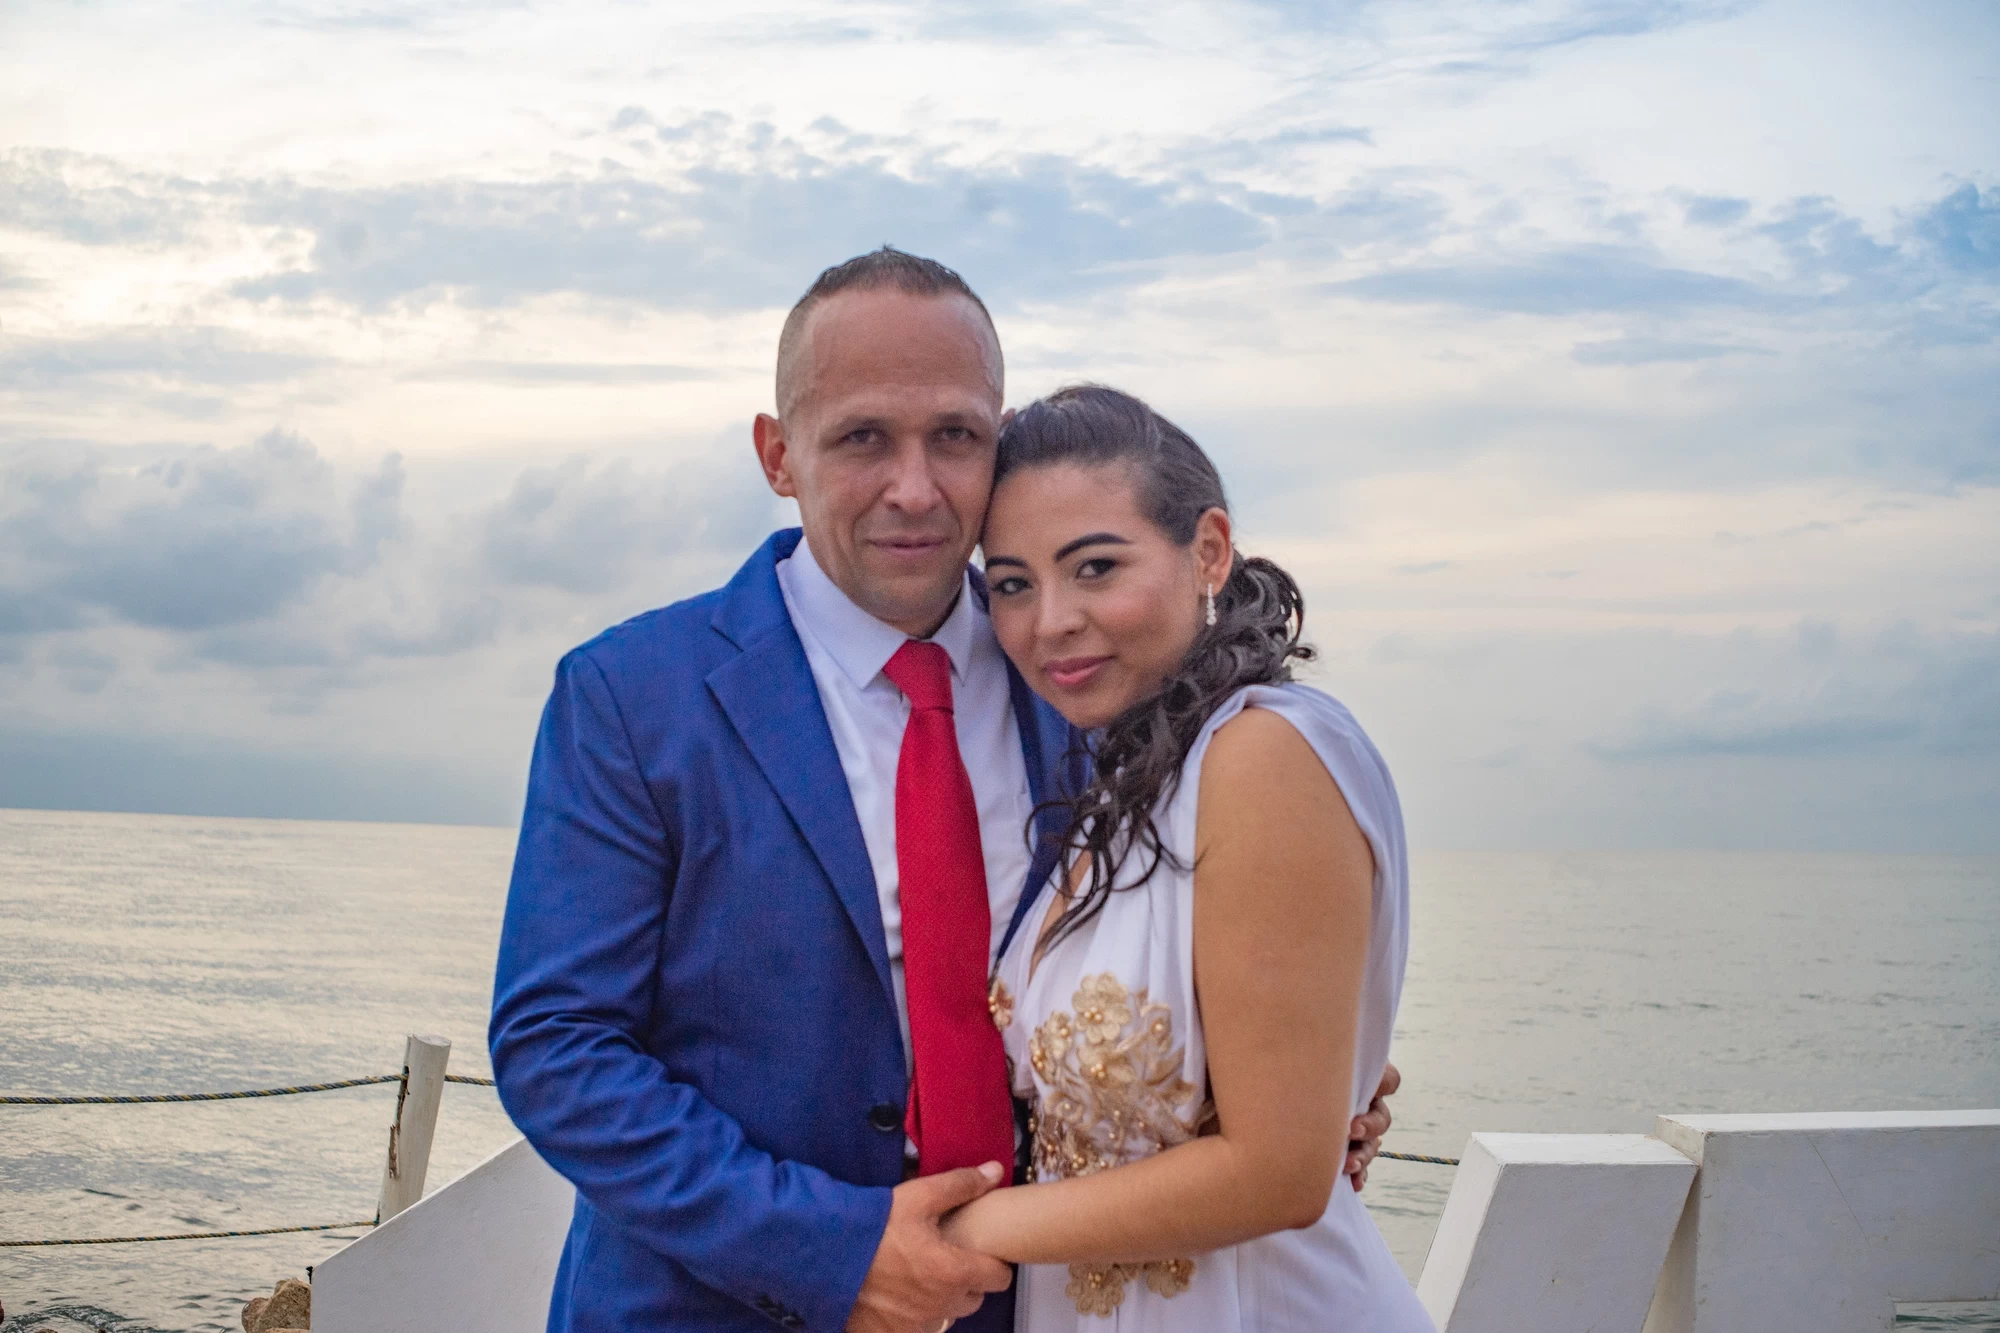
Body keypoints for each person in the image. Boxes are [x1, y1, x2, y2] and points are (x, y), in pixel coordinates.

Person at [489, 248, 1399, 1333]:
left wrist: (1293, 1095)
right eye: (863, 438)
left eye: (955, 437)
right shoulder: (632, 695)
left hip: (1025, 1309)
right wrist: (833, 1250)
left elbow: (1173, 978)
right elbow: (558, 1046)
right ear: (778, 454)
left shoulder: (1088, 688)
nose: (914, 488)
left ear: (996, 440)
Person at [943, 384, 1435, 1332]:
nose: (1051, 620)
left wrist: (965, 1231)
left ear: (1208, 549)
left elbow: (1279, 1172)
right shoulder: (1125, 784)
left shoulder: (1263, 754)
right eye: (1011, 584)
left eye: (1095, 567)